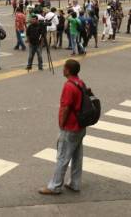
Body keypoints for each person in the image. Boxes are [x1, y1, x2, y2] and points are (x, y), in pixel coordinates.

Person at [39, 59, 86, 195]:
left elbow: (65, 107)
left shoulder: (69, 86)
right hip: (80, 126)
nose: (62, 69)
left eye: (64, 67)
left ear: (68, 70)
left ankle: (55, 186)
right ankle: (75, 183)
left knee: (62, 157)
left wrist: (61, 123)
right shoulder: (80, 82)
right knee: (77, 156)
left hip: (70, 126)